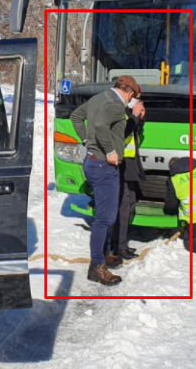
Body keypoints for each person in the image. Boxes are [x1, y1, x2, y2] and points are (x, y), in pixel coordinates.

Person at [71, 75, 141, 286]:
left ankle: (105, 254)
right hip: (104, 166)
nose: (132, 100)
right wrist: (110, 150)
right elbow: (101, 125)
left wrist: (86, 139)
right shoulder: (115, 105)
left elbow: (76, 116)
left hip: (93, 162)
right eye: (133, 96)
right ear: (129, 92)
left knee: (106, 214)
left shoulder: (99, 98)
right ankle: (97, 267)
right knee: (105, 218)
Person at [110, 89, 146, 260]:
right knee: (123, 207)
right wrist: (134, 116)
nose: (138, 102)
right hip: (120, 164)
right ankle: (118, 246)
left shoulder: (127, 112)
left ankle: (120, 244)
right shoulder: (118, 111)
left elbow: (132, 133)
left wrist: (138, 118)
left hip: (129, 164)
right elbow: (121, 134)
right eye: (137, 98)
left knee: (129, 203)